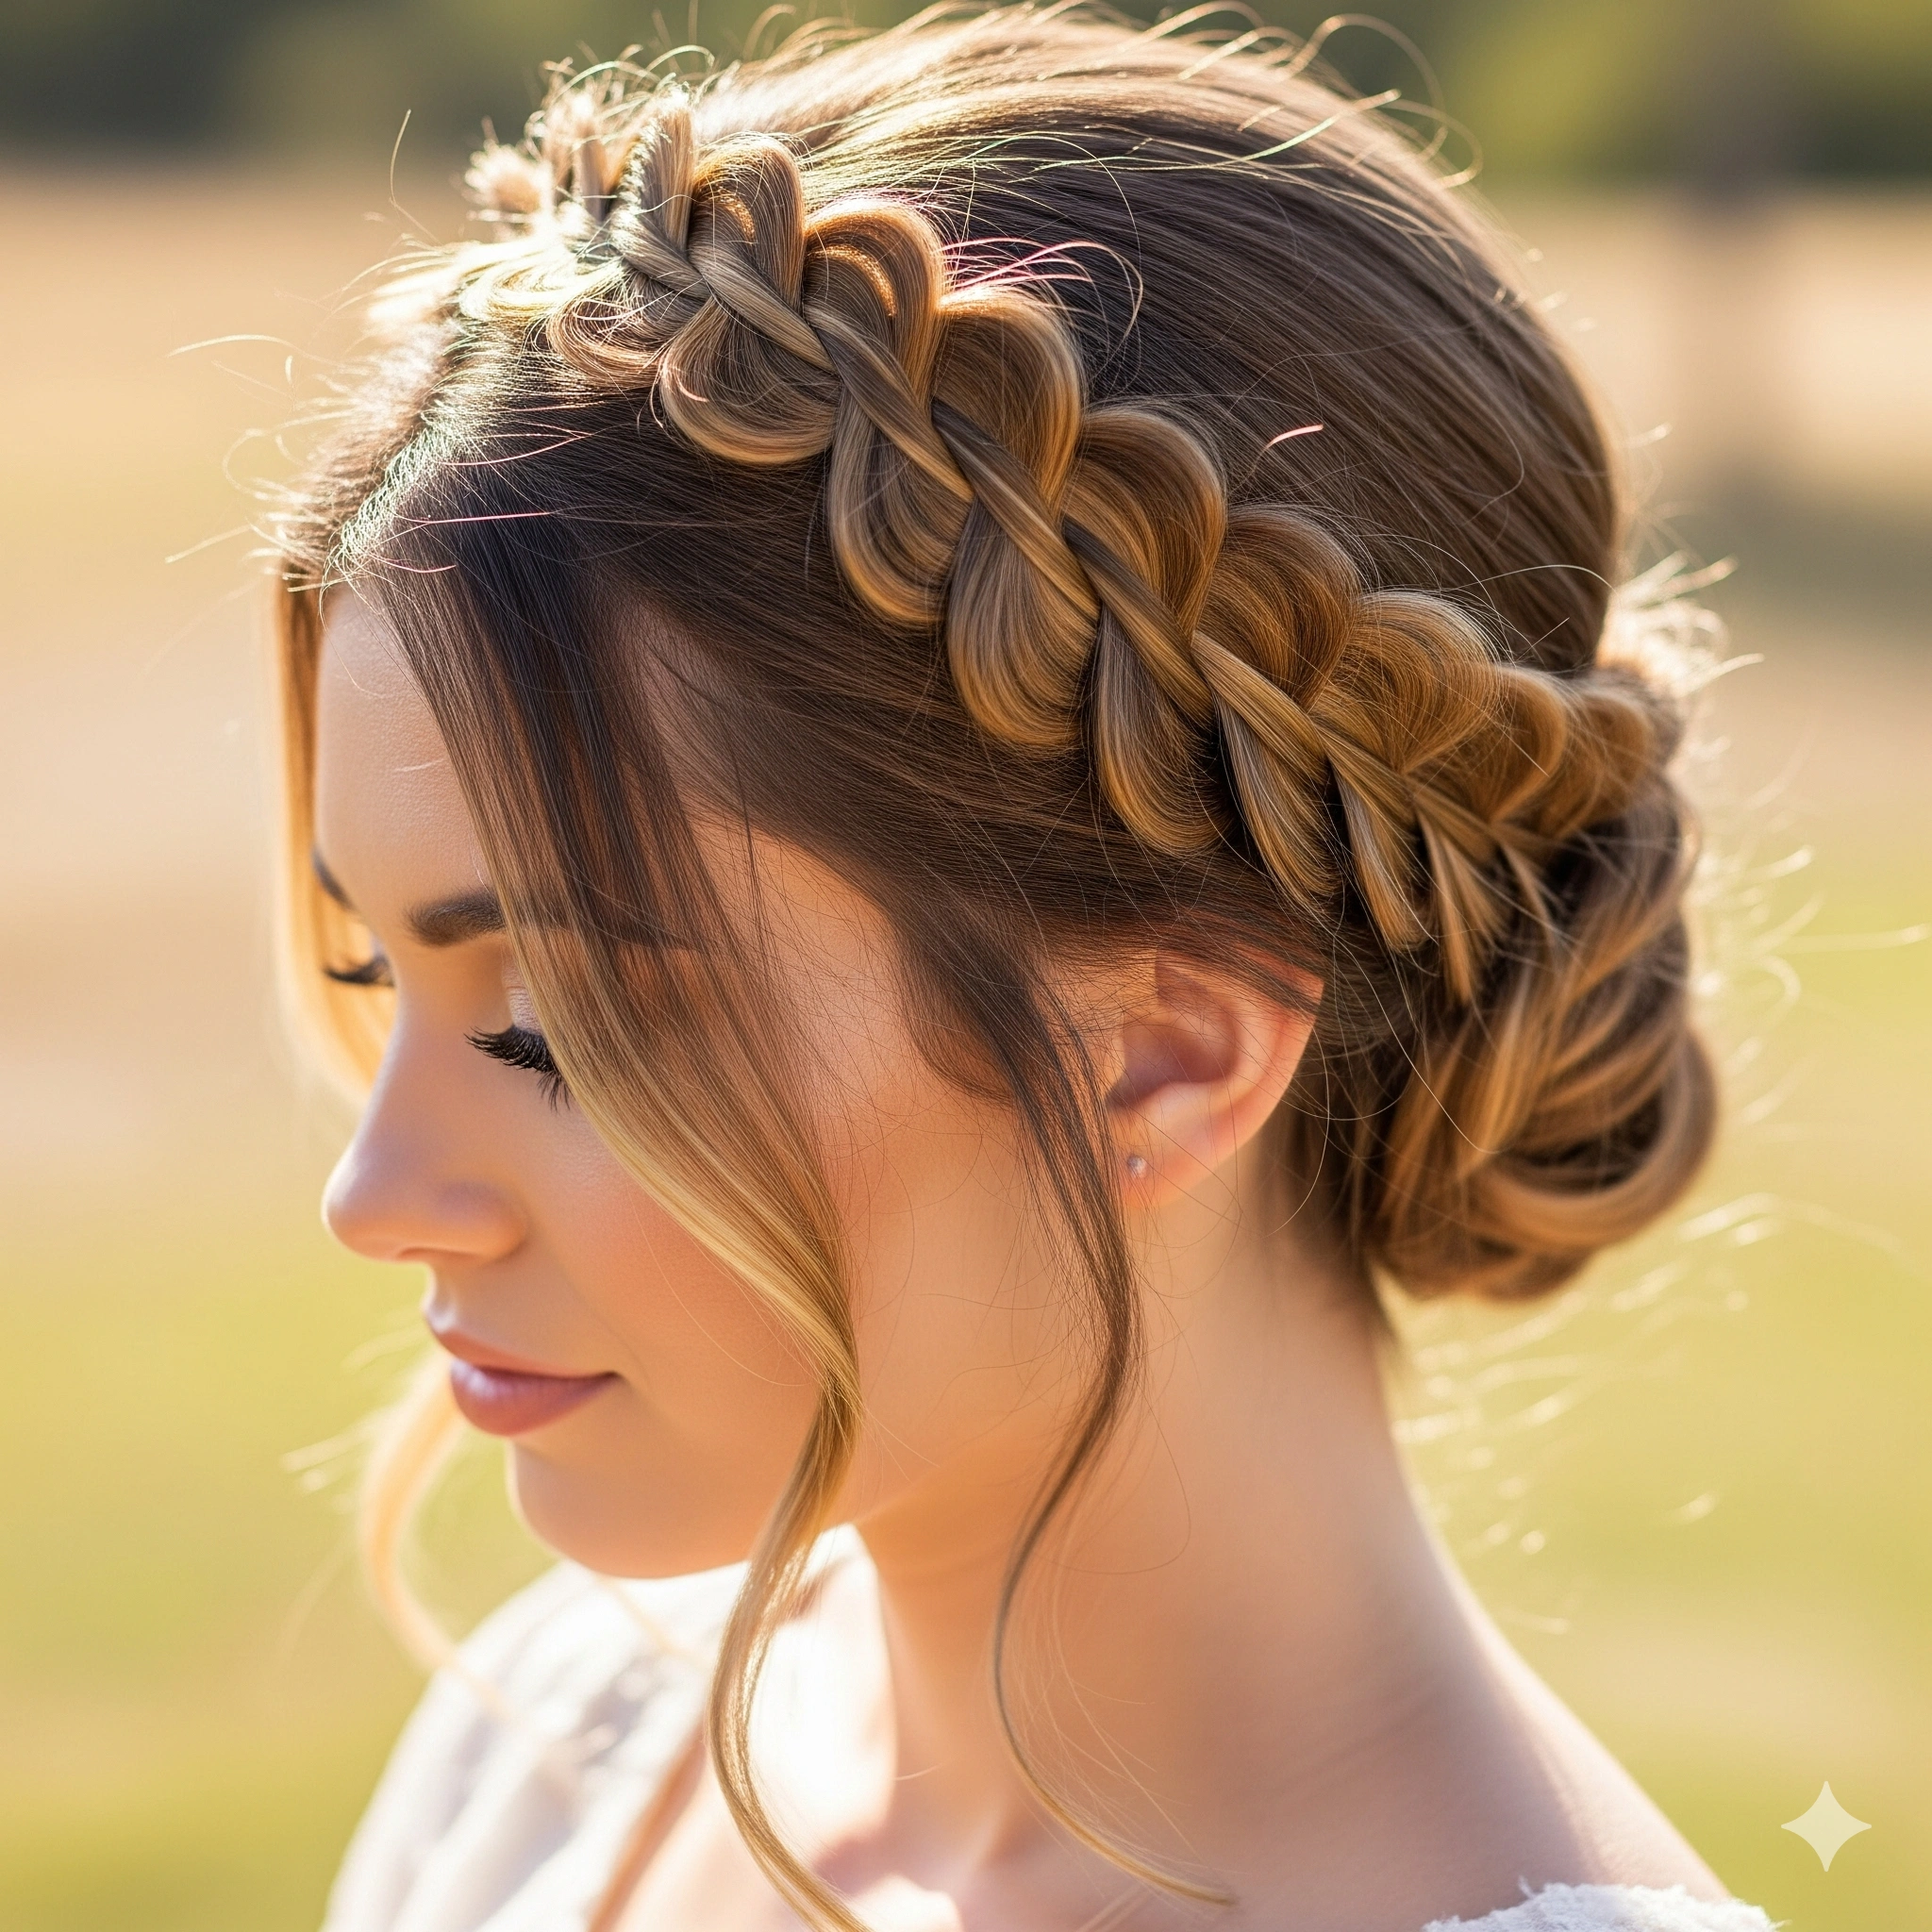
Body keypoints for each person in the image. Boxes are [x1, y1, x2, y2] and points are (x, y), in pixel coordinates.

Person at [275, 8, 1775, 1928]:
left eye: (551, 1028)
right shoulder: (563, 1749)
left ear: (1164, 1051)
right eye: (376, 967)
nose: (371, 1198)